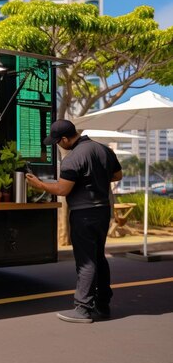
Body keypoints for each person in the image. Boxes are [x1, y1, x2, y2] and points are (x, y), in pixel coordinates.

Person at [26, 119, 122, 323]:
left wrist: (40, 185)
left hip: (83, 214)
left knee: (86, 261)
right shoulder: (103, 150)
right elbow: (117, 175)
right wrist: (94, 179)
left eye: (57, 142)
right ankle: (103, 305)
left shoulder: (73, 158)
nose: (58, 145)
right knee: (99, 257)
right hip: (103, 211)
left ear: (64, 139)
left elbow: (62, 189)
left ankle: (83, 308)